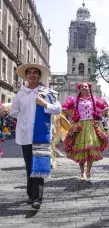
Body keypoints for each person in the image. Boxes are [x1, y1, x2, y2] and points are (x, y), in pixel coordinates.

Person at [9, 63, 61, 210]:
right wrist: (22, 118)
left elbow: (57, 109)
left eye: (35, 73)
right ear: (26, 76)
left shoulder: (48, 93)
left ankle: (37, 198)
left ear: (39, 76)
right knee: (29, 165)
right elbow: (14, 112)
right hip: (25, 134)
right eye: (29, 73)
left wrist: (45, 104)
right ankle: (31, 195)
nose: (32, 75)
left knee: (38, 165)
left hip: (41, 134)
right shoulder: (20, 94)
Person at [62, 82, 108, 181]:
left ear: (89, 88)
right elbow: (64, 108)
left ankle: (88, 172)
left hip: (91, 126)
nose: (84, 88)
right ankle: (82, 172)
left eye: (86, 86)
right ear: (79, 89)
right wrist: (72, 115)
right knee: (81, 149)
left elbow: (105, 107)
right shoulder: (75, 100)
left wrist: (100, 115)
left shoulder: (94, 99)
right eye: (82, 87)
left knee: (91, 148)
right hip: (80, 126)